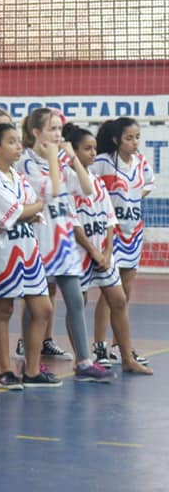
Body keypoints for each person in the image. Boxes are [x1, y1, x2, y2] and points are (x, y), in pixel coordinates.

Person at [17, 109, 112, 383]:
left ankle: (84, 362)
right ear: (36, 132)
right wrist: (54, 161)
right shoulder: (27, 163)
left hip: (62, 238)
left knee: (75, 300)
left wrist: (72, 159)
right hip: (38, 239)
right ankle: (30, 362)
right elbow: (54, 191)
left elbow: (87, 188)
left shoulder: (59, 159)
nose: (58, 135)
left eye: (60, 129)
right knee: (37, 306)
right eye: (52, 129)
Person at [0, 123, 59, 389]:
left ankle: (32, 371)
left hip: (28, 250)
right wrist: (24, 210)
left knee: (42, 308)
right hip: (2, 253)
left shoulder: (18, 177)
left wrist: (23, 211)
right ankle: (6, 370)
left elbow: (32, 210)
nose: (18, 146)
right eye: (11, 142)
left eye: (19, 141)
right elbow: (12, 212)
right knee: (3, 308)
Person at [64, 124, 151, 375]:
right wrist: (93, 251)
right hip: (80, 253)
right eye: (87, 149)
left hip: (104, 253)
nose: (93, 153)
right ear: (73, 152)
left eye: (94, 148)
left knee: (119, 299)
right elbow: (74, 223)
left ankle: (126, 357)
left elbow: (110, 217)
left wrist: (108, 251)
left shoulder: (96, 181)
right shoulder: (68, 181)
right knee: (77, 303)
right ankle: (83, 360)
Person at [91, 117, 154, 366]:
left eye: (137, 137)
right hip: (112, 233)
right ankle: (98, 346)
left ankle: (119, 345)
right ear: (117, 139)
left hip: (134, 231)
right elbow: (88, 187)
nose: (135, 142)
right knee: (110, 293)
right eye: (129, 138)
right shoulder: (103, 162)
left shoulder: (140, 161)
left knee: (125, 294)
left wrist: (132, 196)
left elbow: (148, 184)